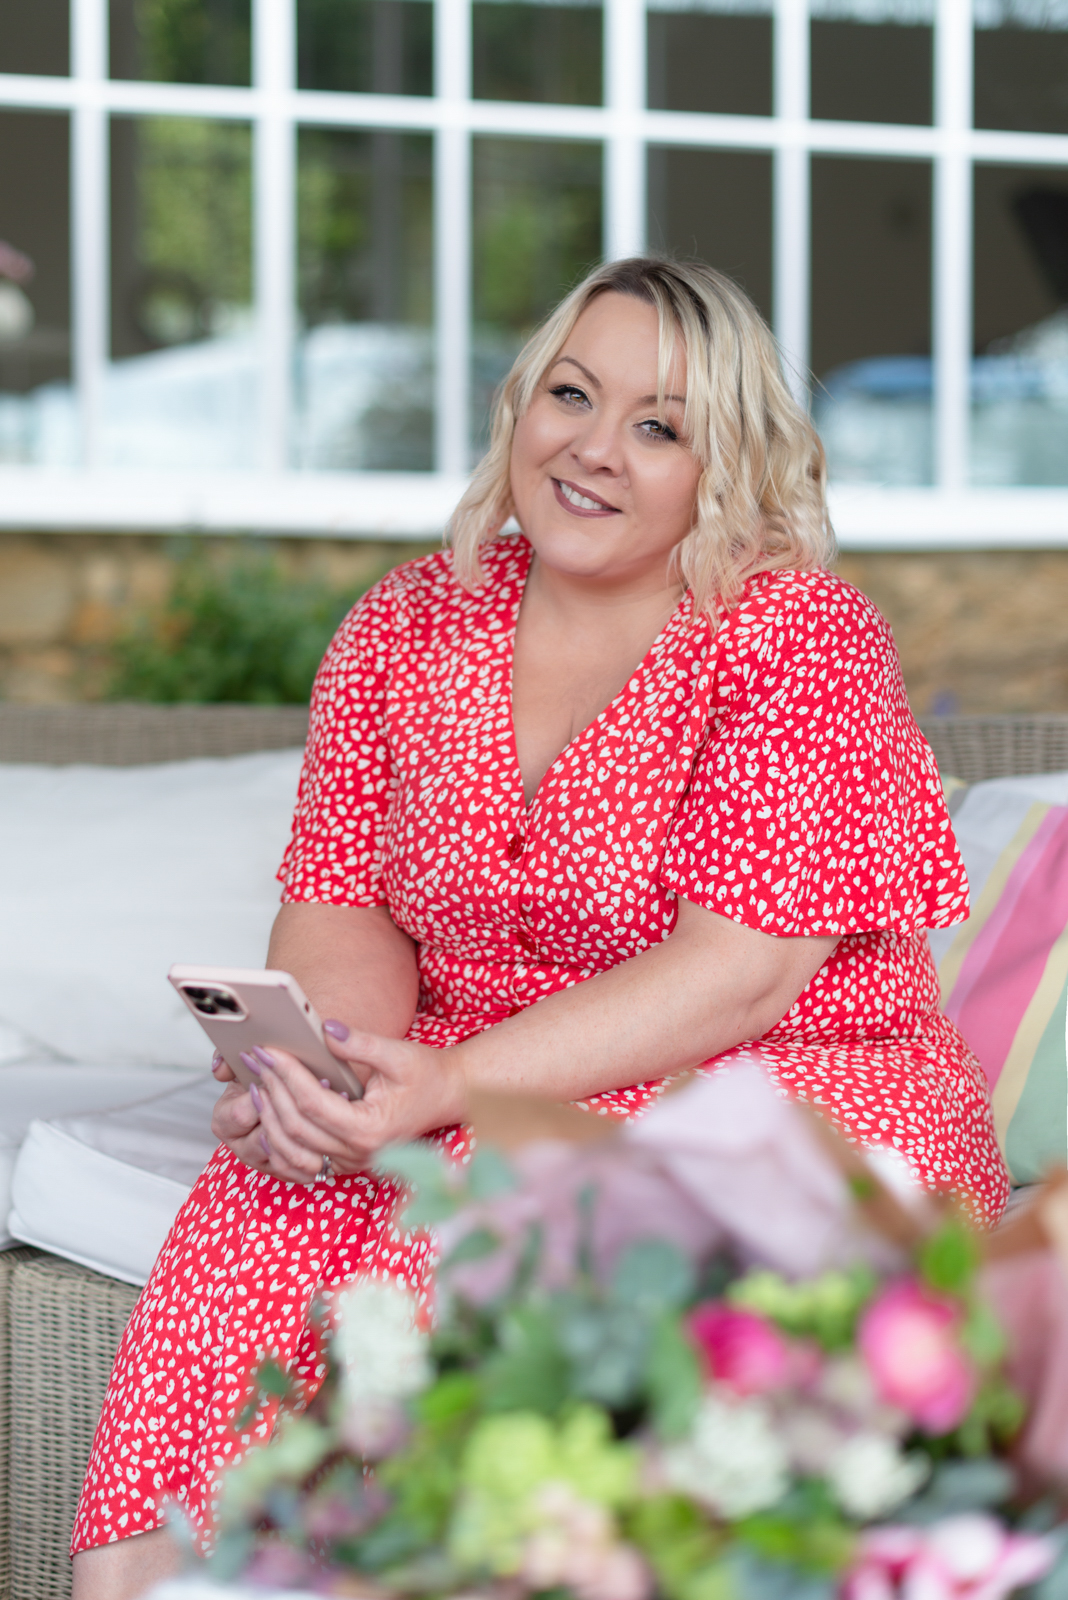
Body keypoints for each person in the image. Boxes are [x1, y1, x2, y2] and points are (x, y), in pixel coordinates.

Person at [71, 257, 1009, 1598]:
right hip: (471, 1075)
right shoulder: (403, 625)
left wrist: (447, 1085)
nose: (593, 447)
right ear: (520, 404)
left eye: (658, 425)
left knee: (475, 1237)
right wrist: (328, 1079)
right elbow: (343, 899)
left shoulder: (797, 635)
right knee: (263, 1211)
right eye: (571, 394)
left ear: (726, 465)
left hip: (778, 1085)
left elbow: (739, 978)